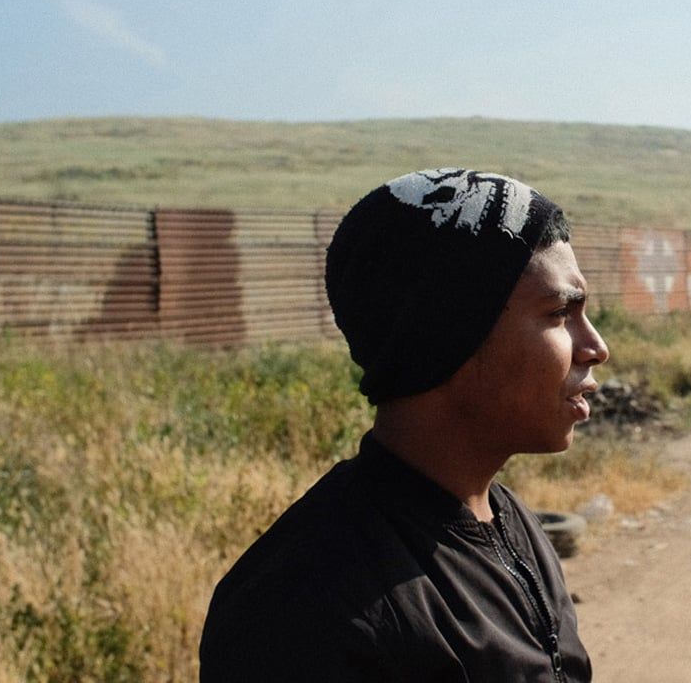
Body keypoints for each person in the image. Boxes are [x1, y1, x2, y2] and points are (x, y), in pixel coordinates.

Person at [200, 168, 608, 681]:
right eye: (559, 313)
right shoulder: (303, 608)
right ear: (449, 335)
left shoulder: (510, 521)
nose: (595, 347)